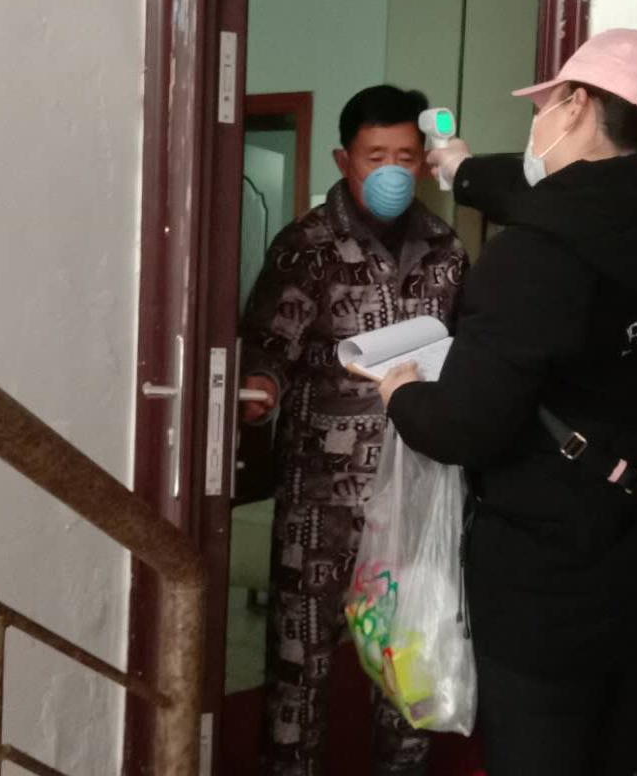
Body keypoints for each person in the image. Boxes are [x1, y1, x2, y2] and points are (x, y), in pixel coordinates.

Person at [378, 30, 637, 776]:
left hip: (547, 586)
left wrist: (402, 391)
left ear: (575, 105)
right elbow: (572, 200)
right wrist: (464, 170)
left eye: (541, 110)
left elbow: (464, 428)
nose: (536, 127)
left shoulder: (537, 254)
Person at [239, 84, 469, 776]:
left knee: (407, 661)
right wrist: (260, 390)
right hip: (320, 499)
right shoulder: (306, 246)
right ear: (344, 159)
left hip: (415, 490)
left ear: (424, 161)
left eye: (406, 156)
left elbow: (469, 347)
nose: (392, 170)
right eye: (376, 156)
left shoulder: (446, 247)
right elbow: (264, 348)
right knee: (299, 666)